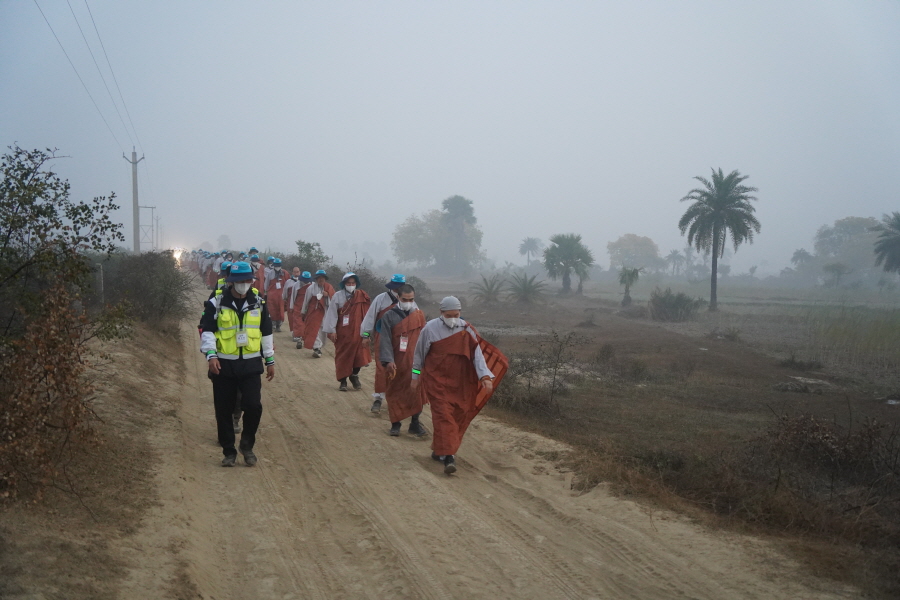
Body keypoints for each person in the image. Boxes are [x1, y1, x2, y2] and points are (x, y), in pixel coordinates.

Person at [411, 296, 507, 475]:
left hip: (460, 383)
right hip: (436, 381)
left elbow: (477, 355)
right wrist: (415, 376)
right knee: (443, 416)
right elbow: (419, 354)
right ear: (441, 313)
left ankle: (439, 450)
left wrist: (485, 376)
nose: (453, 318)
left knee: (456, 416)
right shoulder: (430, 329)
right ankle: (449, 456)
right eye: (449, 315)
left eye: (456, 314)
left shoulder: (467, 329)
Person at [199, 261, 276, 467]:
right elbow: (207, 331)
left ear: (251, 281)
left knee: (253, 406)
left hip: (251, 364)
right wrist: (211, 356)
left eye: (247, 280)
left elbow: (266, 332)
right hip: (224, 364)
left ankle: (247, 445)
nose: (243, 284)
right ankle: (229, 451)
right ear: (231, 282)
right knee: (223, 409)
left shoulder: (259, 303)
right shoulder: (216, 302)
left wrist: (270, 359)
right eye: (239, 281)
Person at [378, 284, 427, 437]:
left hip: (415, 361)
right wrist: (388, 361)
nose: (408, 302)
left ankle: (414, 423)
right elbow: (384, 340)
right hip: (396, 361)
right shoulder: (389, 316)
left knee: (416, 392)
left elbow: (425, 339)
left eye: (411, 299)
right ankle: (395, 423)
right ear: (398, 297)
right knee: (395, 392)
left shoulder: (419, 315)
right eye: (405, 299)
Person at [360, 274, 406, 412]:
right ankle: (378, 398)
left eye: (400, 286)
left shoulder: (408, 300)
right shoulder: (381, 298)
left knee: (401, 366)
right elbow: (370, 317)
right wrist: (366, 334)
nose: (398, 289)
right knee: (382, 366)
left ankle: (396, 399)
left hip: (401, 338)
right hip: (382, 336)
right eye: (396, 286)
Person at [323, 272, 371, 391]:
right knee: (343, 357)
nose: (351, 285)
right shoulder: (338, 296)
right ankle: (343, 380)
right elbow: (332, 314)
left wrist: (367, 333)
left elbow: (367, 316)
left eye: (353, 283)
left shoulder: (362, 296)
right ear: (344, 284)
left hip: (358, 332)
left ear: (356, 284)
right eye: (348, 283)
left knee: (359, 355)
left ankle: (354, 375)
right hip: (343, 332)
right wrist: (332, 330)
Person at [301, 269, 334, 358]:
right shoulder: (310, 288)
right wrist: (303, 312)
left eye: (322, 278)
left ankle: (319, 346)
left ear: (325, 279)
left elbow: (333, 302)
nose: (321, 280)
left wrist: (327, 296)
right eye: (319, 278)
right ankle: (316, 348)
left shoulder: (329, 288)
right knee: (314, 330)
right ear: (316, 279)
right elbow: (306, 301)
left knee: (323, 331)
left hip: (325, 313)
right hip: (314, 313)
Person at [289, 270, 313, 348]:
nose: (305, 282)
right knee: (298, 321)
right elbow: (293, 296)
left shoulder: (313, 285)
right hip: (298, 305)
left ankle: (305, 336)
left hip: (308, 306)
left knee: (307, 321)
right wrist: (291, 307)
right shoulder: (296, 285)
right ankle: (297, 336)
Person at [265, 258, 289, 332]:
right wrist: (266, 293)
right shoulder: (270, 273)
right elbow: (266, 284)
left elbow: (288, 284)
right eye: (276, 265)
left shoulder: (285, 273)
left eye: (278, 265)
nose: (277, 267)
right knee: (272, 310)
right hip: (272, 295)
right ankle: (273, 324)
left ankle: (279, 325)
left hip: (281, 295)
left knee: (281, 311)